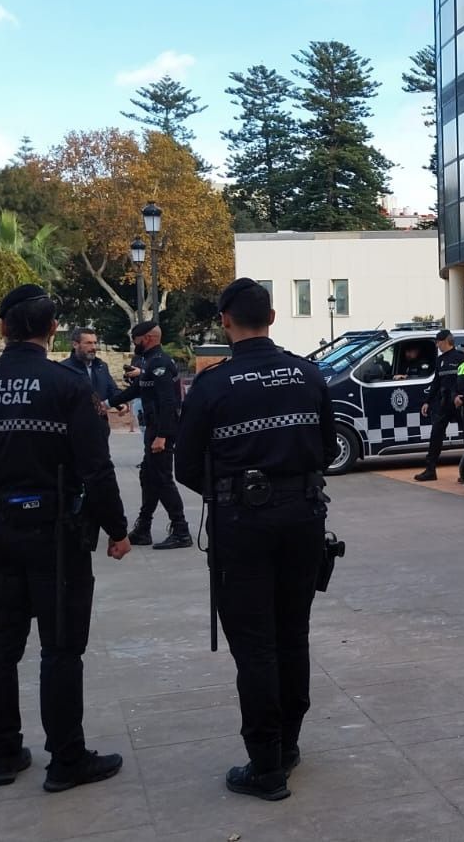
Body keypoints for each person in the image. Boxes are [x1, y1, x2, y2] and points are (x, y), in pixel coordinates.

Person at [0, 284, 133, 793]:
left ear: (3, 329)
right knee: (60, 650)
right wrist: (117, 529)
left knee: (1, 643)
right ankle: (66, 758)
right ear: (53, 330)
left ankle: (4, 753)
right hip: (55, 533)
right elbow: (96, 470)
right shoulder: (68, 387)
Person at [175, 278, 339, 802]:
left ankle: (266, 763)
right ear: (271, 316)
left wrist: (234, 492)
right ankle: (288, 744)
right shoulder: (309, 374)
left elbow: (185, 466)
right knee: (292, 634)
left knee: (255, 646)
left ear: (225, 321)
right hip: (304, 518)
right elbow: (328, 446)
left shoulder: (213, 385)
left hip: (243, 525)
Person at [109, 321, 190, 550]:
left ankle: (181, 530)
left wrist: (162, 436)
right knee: (149, 476)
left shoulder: (160, 363)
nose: (133, 343)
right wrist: (107, 403)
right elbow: (137, 390)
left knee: (162, 479)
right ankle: (143, 528)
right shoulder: (151, 364)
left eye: (135, 338)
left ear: (147, 338)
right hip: (154, 429)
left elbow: (167, 401)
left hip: (160, 431)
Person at [415, 330, 464, 482]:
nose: (437, 344)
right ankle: (430, 470)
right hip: (444, 403)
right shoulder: (440, 360)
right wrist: (427, 401)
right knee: (435, 435)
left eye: (438, 341)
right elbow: (436, 382)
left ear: (446, 341)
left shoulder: (461, 358)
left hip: (459, 402)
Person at [62, 328, 122, 435]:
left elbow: (112, 390)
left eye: (95, 343)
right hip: (74, 430)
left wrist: (121, 403)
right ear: (75, 344)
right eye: (88, 343)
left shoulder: (101, 367)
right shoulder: (63, 369)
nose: (94, 347)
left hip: (100, 429)